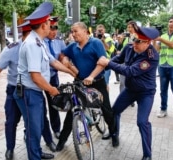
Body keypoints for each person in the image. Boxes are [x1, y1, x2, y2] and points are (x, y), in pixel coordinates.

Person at [13, 2, 77, 160]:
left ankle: (38, 152)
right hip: (28, 93)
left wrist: (73, 73)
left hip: (35, 91)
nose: (52, 26)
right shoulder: (32, 44)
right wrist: (51, 89)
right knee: (34, 128)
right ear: (43, 25)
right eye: (50, 24)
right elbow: (35, 76)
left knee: (40, 123)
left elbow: (54, 62)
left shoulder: (39, 42)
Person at [97, 26, 160, 160]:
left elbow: (130, 71)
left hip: (145, 93)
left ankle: (147, 155)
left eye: (138, 42)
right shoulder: (130, 48)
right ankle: (115, 134)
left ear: (147, 43)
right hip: (130, 89)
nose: (134, 44)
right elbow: (119, 59)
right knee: (114, 111)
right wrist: (102, 66)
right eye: (134, 40)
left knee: (142, 122)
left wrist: (107, 63)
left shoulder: (152, 57)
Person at [56, 22, 118, 151]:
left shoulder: (96, 43)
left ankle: (114, 133)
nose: (73, 34)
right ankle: (62, 141)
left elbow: (102, 62)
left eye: (75, 31)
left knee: (106, 109)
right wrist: (65, 59)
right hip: (79, 82)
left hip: (97, 81)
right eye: (72, 32)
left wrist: (91, 76)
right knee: (72, 111)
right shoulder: (73, 46)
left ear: (85, 31)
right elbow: (62, 54)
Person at [0, 21, 31, 160]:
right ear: (26, 34)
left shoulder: (40, 45)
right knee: (11, 121)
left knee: (33, 120)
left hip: (32, 89)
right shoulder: (11, 49)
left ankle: (30, 142)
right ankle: (10, 148)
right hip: (14, 89)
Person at [153, 15, 173, 123]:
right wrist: (154, 39)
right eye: (170, 21)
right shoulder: (162, 35)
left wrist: (160, 39)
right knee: (163, 90)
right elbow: (156, 49)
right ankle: (163, 109)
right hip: (162, 65)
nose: (171, 23)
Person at [44, 16, 66, 139]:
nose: (53, 31)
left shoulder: (59, 41)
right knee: (38, 106)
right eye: (51, 28)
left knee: (54, 103)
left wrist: (65, 59)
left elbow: (64, 55)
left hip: (53, 76)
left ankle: (56, 129)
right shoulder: (39, 41)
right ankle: (29, 132)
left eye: (55, 28)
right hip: (38, 77)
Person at [95, 24, 116, 92]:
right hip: (95, 63)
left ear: (104, 30)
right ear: (96, 31)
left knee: (105, 83)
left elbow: (107, 48)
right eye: (99, 30)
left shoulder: (108, 39)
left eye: (101, 30)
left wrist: (103, 40)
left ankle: (106, 100)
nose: (100, 32)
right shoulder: (93, 39)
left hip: (105, 64)